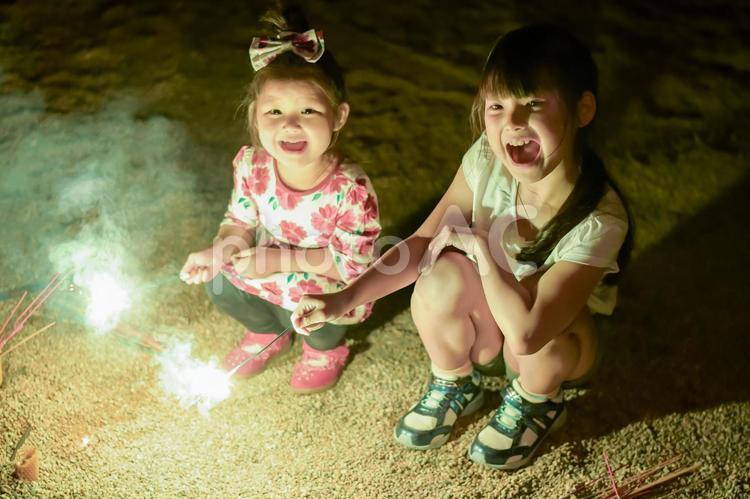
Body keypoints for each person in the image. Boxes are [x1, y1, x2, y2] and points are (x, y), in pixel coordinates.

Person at [292, 24, 631, 469]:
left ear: (582, 109)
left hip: (552, 347)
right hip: (495, 331)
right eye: (496, 106)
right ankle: (456, 381)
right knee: (439, 273)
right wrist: (343, 298)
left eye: (532, 104)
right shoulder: (486, 162)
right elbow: (421, 243)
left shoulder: (599, 219)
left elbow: (530, 334)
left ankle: (537, 400)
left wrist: (484, 252)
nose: (511, 122)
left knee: (536, 326)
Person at [179, 8, 380, 394]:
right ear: (255, 116)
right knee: (219, 279)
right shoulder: (252, 165)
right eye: (274, 111)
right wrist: (218, 251)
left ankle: (324, 349)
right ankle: (265, 332)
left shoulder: (350, 189)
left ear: (338, 116)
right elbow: (238, 222)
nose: (289, 124)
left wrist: (277, 260)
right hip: (270, 268)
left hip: (325, 279)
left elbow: (350, 266)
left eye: (307, 110)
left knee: (318, 307)